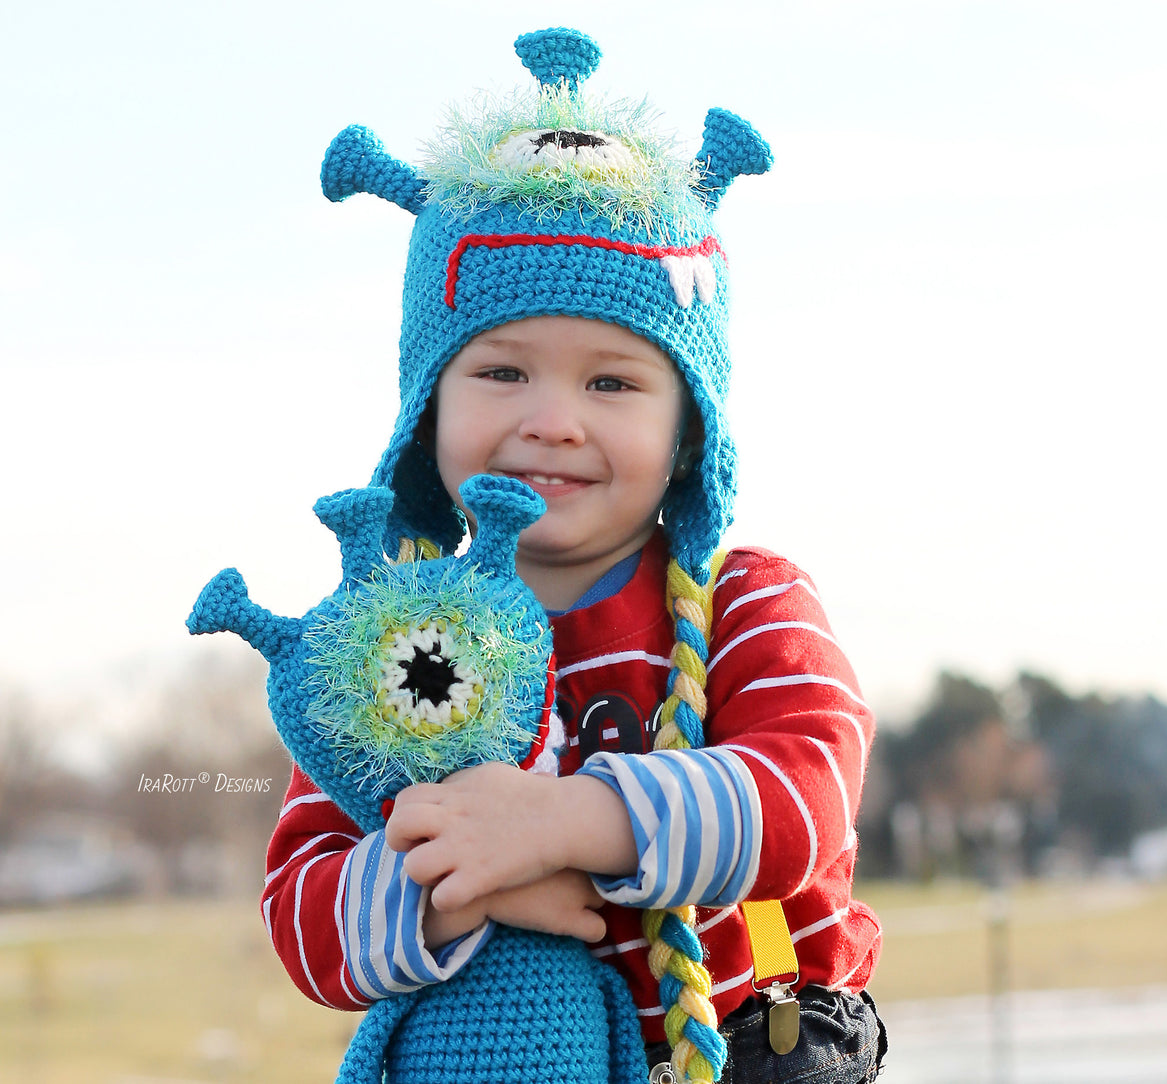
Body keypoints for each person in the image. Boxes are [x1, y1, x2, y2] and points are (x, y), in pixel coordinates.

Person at [261, 27, 885, 1084]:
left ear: (689, 431)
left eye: (610, 383)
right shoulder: (389, 653)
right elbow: (303, 915)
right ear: (426, 411)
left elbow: (802, 795)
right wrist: (471, 880)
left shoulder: (747, 601)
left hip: (746, 1046)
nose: (552, 421)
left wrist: (558, 821)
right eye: (501, 372)